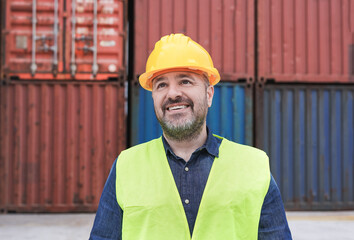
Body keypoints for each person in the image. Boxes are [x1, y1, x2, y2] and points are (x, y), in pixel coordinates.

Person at [89, 33, 292, 240]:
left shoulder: (253, 165)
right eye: (161, 85)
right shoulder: (126, 166)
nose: (172, 94)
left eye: (185, 81)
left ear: (209, 94)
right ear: (153, 97)